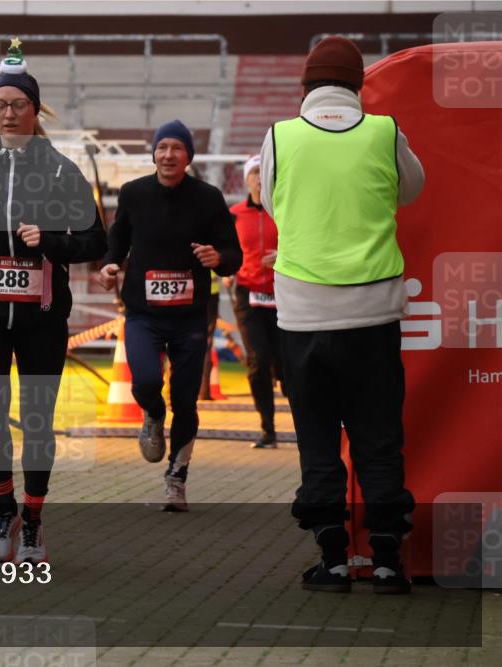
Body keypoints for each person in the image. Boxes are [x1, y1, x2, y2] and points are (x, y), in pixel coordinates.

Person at [259, 36, 424, 594]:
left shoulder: (280, 136)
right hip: (373, 313)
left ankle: (331, 559)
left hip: (303, 316)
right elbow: (413, 189)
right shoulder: (384, 131)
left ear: (305, 86)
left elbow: (272, 202)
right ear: (359, 85)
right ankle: (385, 561)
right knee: (378, 439)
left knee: (317, 439)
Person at [0, 39, 106, 564]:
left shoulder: (60, 169)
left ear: (35, 110)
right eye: (0, 105)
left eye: (19, 105)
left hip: (41, 308)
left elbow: (95, 239)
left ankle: (32, 520)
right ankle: (2, 508)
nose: (9, 114)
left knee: (36, 416)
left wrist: (50, 242)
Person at [97, 119, 242, 512]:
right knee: (145, 381)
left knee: (186, 400)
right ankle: (152, 414)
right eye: (162, 148)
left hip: (190, 319)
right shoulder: (134, 193)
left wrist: (219, 259)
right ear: (154, 154)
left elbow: (233, 253)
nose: (168, 155)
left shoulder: (208, 198)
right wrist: (110, 265)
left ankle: (176, 478)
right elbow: (117, 241)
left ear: (189, 157)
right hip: (143, 313)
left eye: (177, 148)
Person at [228, 155, 284, 449]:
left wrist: (284, 256)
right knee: (258, 359)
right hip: (248, 293)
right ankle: (268, 429)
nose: (260, 178)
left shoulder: (287, 210)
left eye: (265, 172)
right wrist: (226, 269)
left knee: (286, 363)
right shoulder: (235, 214)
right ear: (247, 179)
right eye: (255, 173)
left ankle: (306, 425)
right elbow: (225, 248)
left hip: (284, 294)